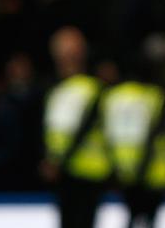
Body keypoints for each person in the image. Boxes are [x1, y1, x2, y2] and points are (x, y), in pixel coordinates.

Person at [43, 27, 112, 228]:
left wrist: (60, 159)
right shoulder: (52, 89)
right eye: (63, 49)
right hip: (62, 175)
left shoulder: (96, 87)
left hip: (90, 172)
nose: (68, 55)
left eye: (72, 49)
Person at [101, 62, 165, 228]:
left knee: (133, 217)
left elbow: (105, 135)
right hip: (155, 174)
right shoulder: (156, 97)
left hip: (125, 171)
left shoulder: (112, 97)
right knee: (148, 219)